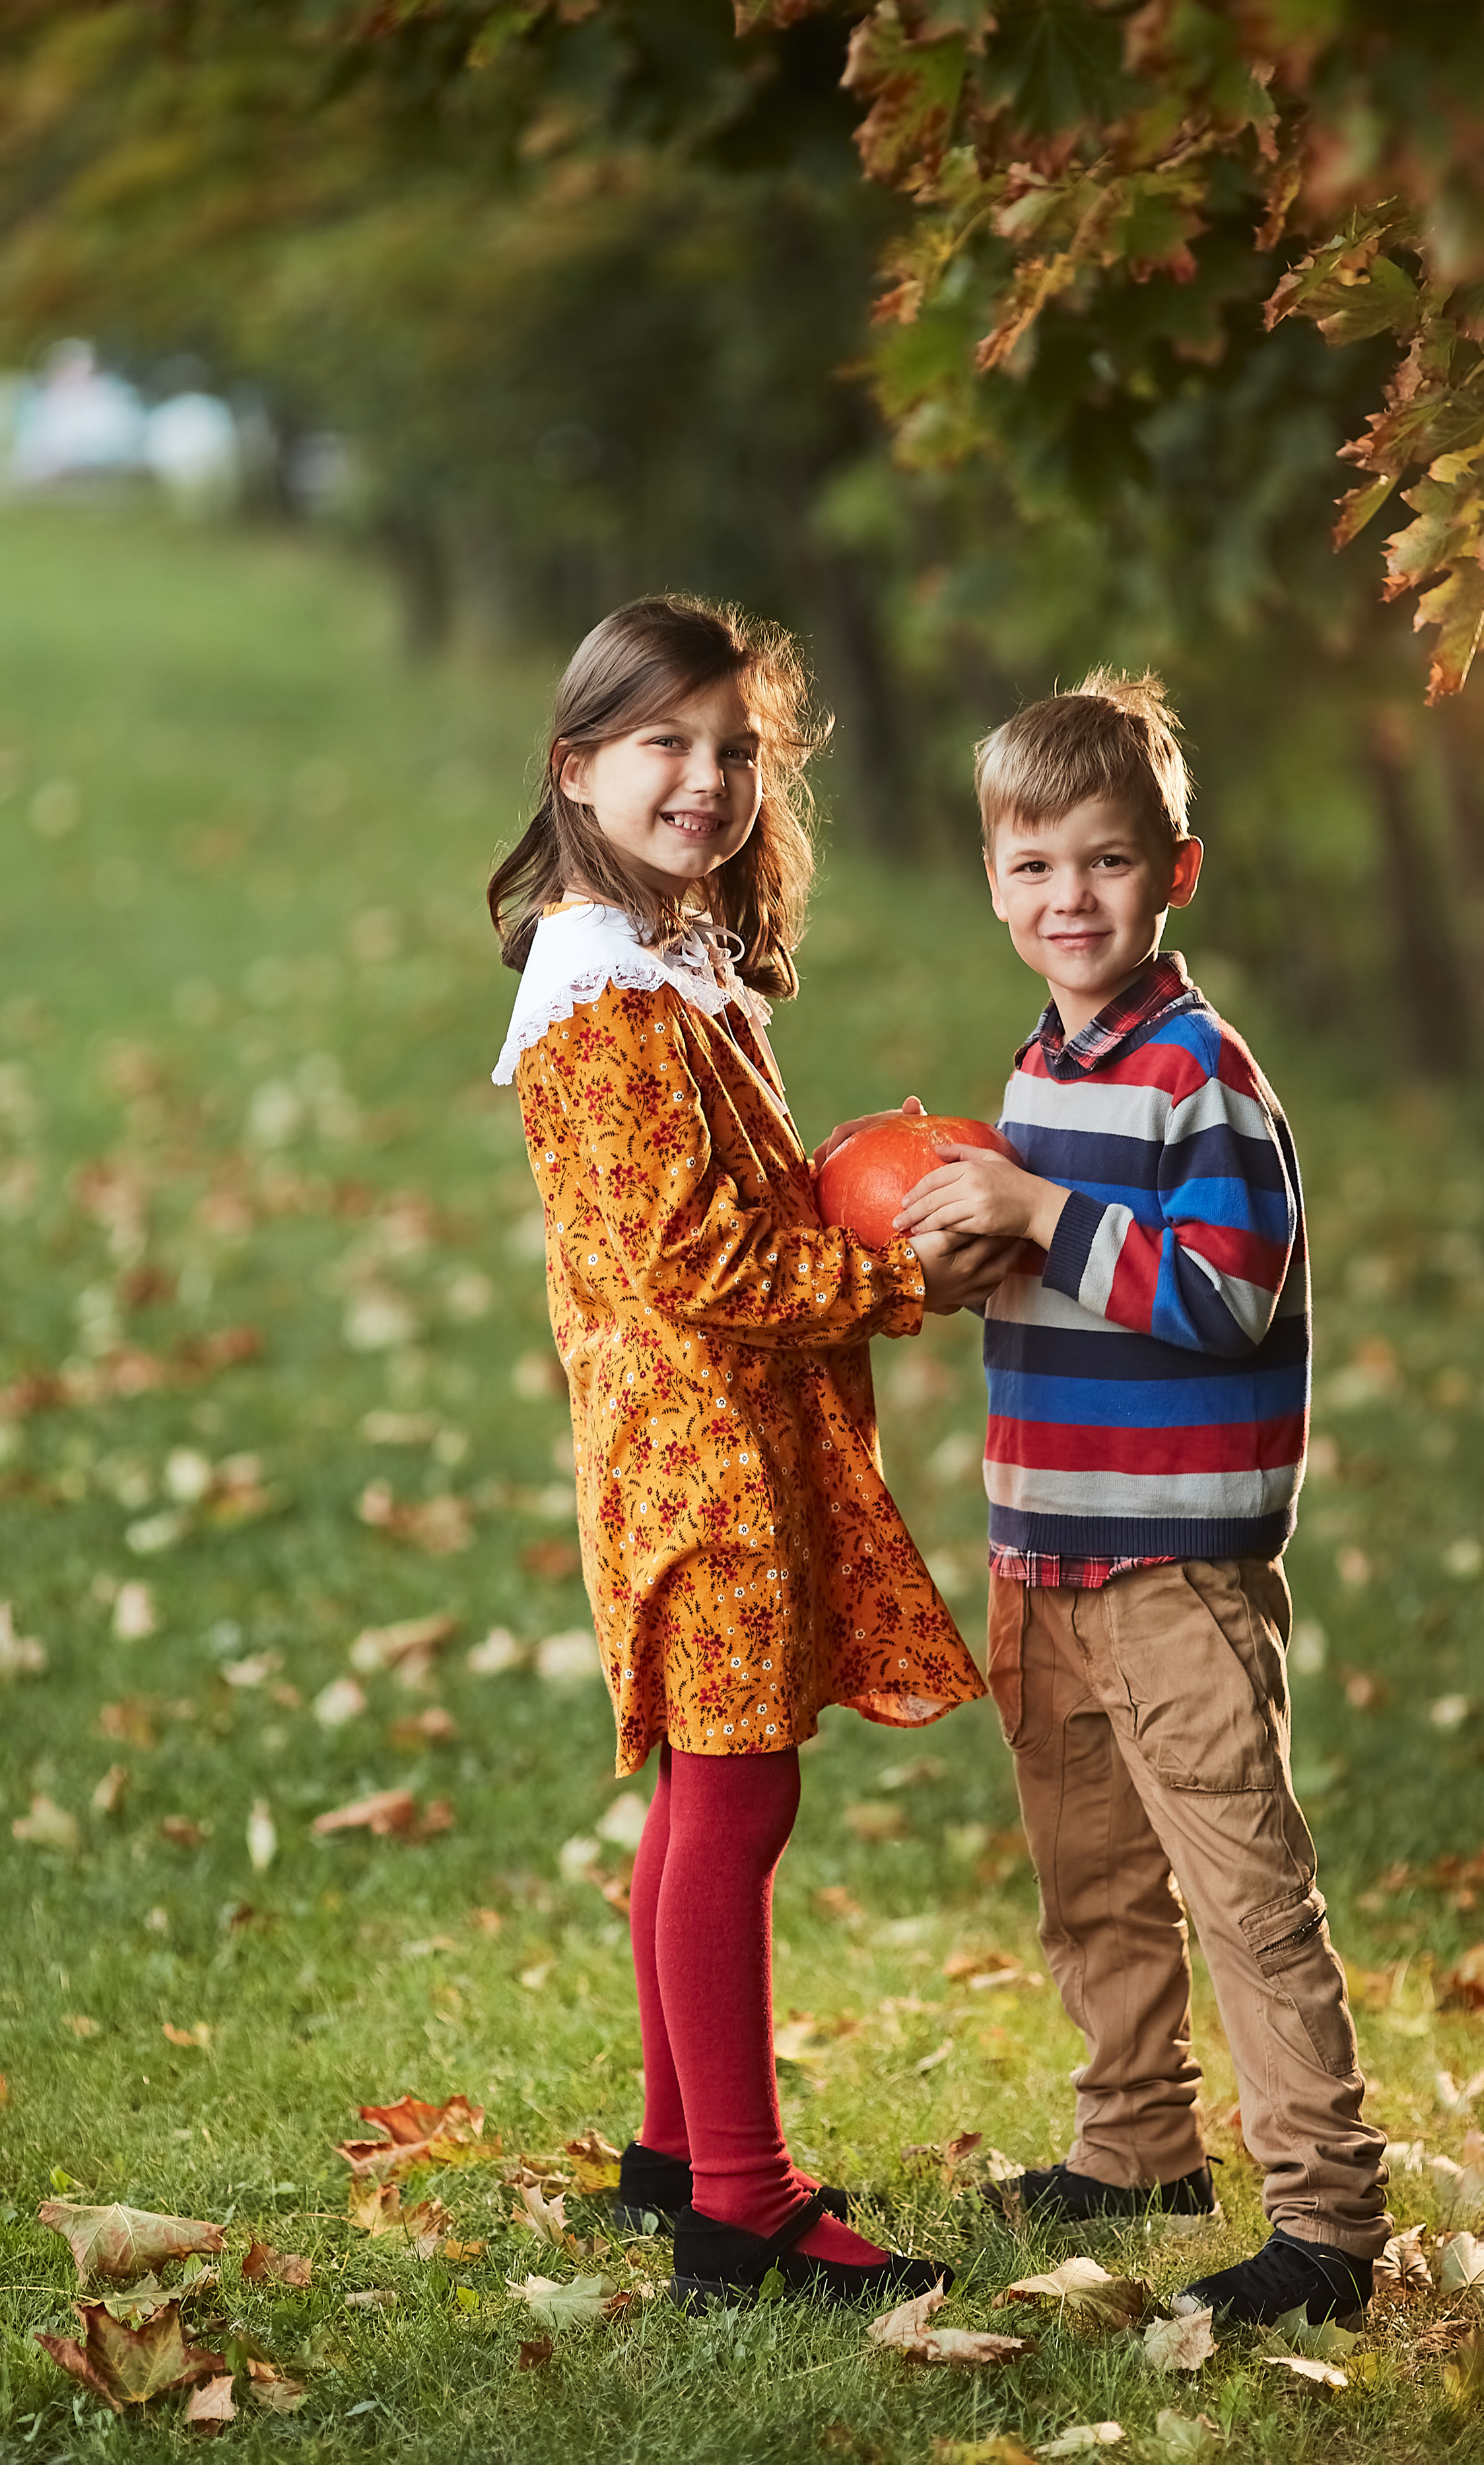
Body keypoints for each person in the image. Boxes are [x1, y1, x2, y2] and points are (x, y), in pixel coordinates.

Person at [488, 594, 1009, 2311]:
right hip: (689, 1445)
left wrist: (855, 1179)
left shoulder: (666, 955)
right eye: (664, 748)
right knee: (736, 1792)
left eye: (733, 752)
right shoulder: (601, 996)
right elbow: (696, 1260)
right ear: (578, 769)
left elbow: (728, 1209)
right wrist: (899, 1277)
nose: (703, 781)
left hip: (723, 1432)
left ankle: (667, 2147)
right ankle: (742, 2204)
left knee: (708, 1790)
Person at [858, 671, 1390, 2326]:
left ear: (1177, 872)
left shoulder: (1194, 1075)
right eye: (1031, 867)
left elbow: (1222, 1290)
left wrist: (1037, 1208)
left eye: (1102, 862)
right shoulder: (1035, 1068)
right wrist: (972, 1258)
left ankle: (1323, 2224)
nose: (1064, 898)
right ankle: (1135, 2143)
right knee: (1087, 1879)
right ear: (992, 880)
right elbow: (1065, 1274)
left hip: (1173, 1566)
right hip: (1048, 1547)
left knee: (1238, 1886)